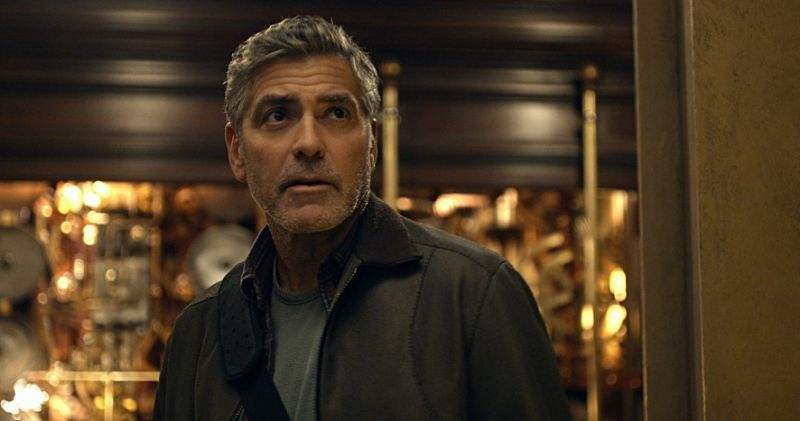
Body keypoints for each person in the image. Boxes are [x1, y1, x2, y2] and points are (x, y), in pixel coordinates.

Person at [154, 15, 572, 421]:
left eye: (336, 113)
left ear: (371, 144)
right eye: (278, 115)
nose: (309, 143)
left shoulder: (474, 295)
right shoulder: (199, 332)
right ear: (236, 152)